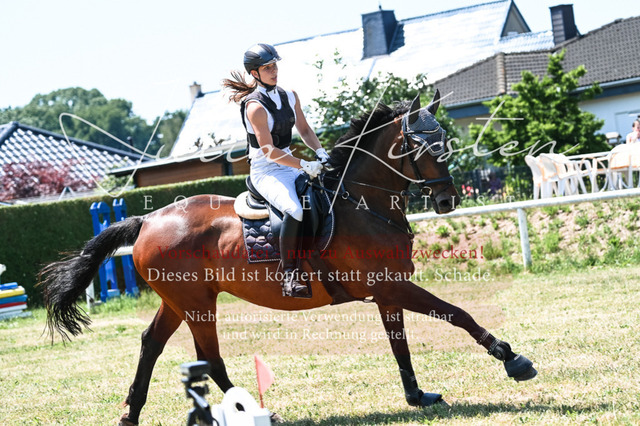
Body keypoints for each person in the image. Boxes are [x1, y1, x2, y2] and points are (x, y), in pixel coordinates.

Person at [222, 43, 329, 298]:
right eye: (267, 68)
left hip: (289, 163)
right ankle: (289, 274)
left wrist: (321, 152)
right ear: (255, 73)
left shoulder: (290, 95)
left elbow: (304, 130)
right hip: (266, 170)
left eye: (275, 66)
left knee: (327, 194)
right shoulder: (255, 107)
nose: (274, 71)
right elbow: (269, 151)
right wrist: (304, 164)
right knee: (294, 209)